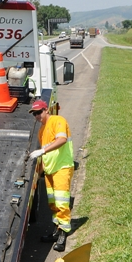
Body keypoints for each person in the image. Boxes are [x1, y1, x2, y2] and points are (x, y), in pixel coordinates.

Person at [26, 100, 74, 251]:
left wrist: (42, 151)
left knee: (62, 203)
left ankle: (63, 234)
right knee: (53, 204)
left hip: (62, 168)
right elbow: (45, 157)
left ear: (46, 110)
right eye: (34, 114)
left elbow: (62, 139)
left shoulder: (57, 120)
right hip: (50, 170)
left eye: (39, 112)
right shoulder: (41, 131)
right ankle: (56, 231)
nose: (37, 116)